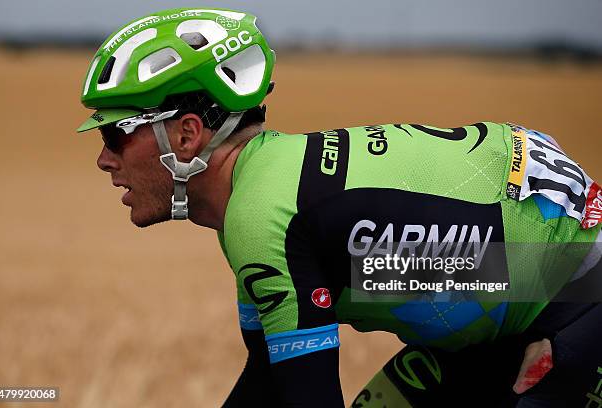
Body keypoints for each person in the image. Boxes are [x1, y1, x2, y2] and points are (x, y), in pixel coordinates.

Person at [77, 8, 602, 407]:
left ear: (187, 135)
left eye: (114, 134)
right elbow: (269, 378)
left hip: (579, 300)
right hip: (531, 295)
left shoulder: (264, 217)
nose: (103, 159)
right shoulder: (266, 196)